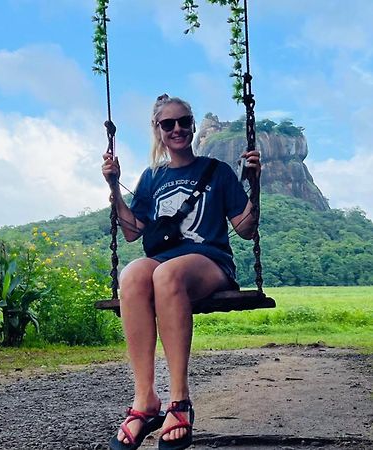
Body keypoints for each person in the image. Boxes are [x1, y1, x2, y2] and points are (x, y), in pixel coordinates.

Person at [102, 94, 261, 450]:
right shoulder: (152, 177)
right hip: (164, 262)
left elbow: (245, 228)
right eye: (168, 124)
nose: (178, 129)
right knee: (132, 274)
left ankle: (179, 401)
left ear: (191, 125)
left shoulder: (216, 171)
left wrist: (255, 184)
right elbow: (132, 231)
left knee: (166, 274)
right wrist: (114, 187)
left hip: (209, 262)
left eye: (184, 122)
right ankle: (145, 400)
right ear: (157, 131)